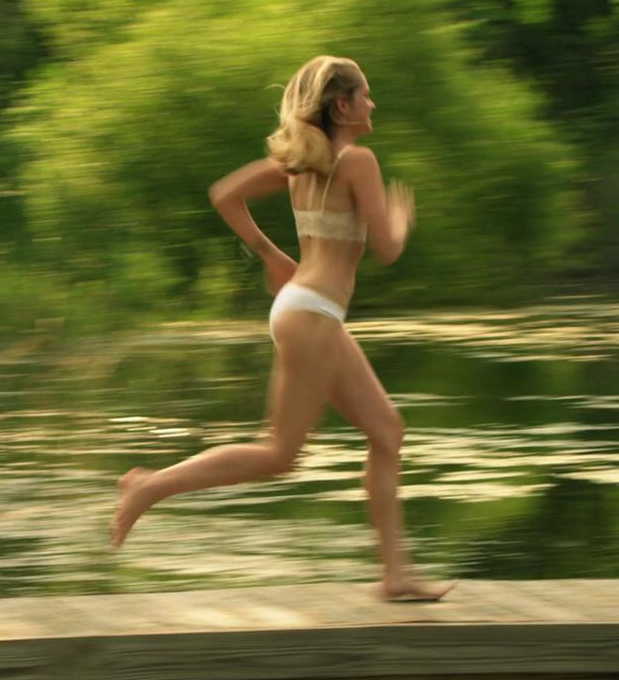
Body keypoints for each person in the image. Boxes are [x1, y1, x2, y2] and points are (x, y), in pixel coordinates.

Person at [110, 55, 454, 603]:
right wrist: (400, 216)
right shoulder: (358, 162)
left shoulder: (300, 164)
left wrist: (272, 257)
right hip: (312, 313)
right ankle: (149, 486)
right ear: (342, 106)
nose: (372, 103)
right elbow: (388, 249)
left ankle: (396, 575)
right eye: (365, 95)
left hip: (307, 309)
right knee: (278, 454)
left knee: (387, 431)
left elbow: (225, 195)